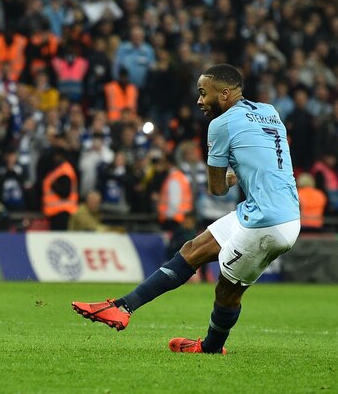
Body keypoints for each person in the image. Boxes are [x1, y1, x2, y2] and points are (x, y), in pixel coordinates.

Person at [72, 64, 301, 354]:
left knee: (227, 292)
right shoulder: (269, 111)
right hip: (279, 211)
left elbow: (216, 189)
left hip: (265, 223)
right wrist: (240, 174)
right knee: (193, 249)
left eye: (204, 94)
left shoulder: (220, 125)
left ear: (225, 93)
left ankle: (211, 348)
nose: (199, 101)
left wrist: (229, 177)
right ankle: (122, 306)